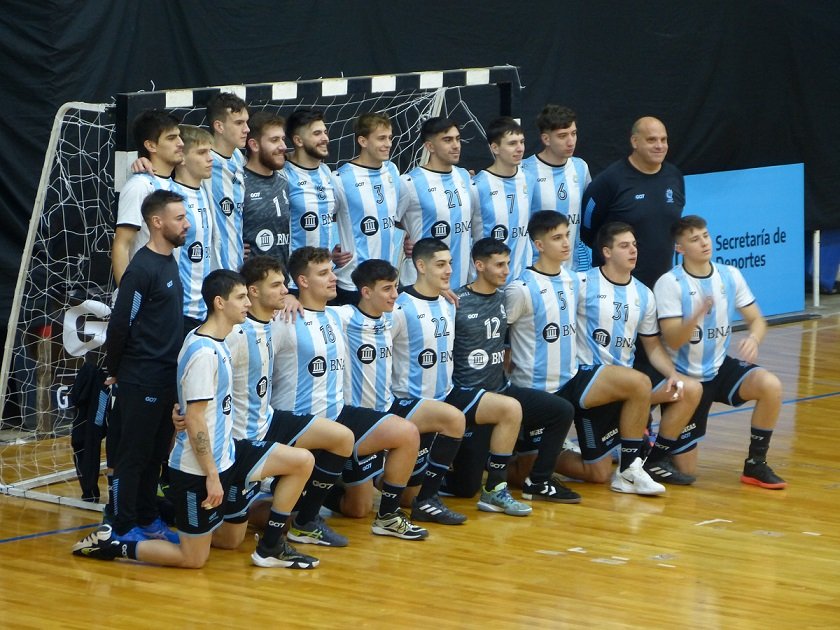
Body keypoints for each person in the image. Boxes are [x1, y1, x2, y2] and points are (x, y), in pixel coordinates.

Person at [73, 270, 318, 569]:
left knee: (301, 461)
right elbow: (198, 421)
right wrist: (212, 476)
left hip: (228, 454)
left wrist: (181, 412)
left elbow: (190, 402)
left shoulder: (220, 339)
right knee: (193, 559)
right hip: (198, 470)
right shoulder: (204, 352)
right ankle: (114, 544)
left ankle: (271, 546)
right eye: (240, 298)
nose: (247, 304)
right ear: (219, 303)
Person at [505, 211, 665, 495]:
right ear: (539, 245)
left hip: (575, 379)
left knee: (639, 383)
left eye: (567, 235)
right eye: (557, 237)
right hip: (537, 390)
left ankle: (629, 468)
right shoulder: (521, 288)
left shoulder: (574, 282)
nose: (566, 243)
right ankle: (504, 458)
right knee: (523, 475)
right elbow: (501, 336)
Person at [271, 246, 421, 544]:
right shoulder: (283, 320)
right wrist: (286, 297)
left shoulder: (340, 316)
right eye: (323, 273)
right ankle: (302, 518)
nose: (332, 277)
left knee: (406, 433)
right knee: (251, 524)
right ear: (302, 281)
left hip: (337, 413)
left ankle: (388, 517)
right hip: (299, 418)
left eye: (331, 271)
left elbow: (378, 307)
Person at [392, 238, 532, 520]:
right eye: (440, 264)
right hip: (411, 401)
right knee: (405, 497)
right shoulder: (400, 307)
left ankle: (494, 488)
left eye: (450, 264)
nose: (447, 270)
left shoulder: (449, 303)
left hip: (447, 393)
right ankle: (396, 481)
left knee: (510, 408)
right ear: (420, 266)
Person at [330, 258, 469, 536]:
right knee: (357, 508)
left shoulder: (395, 314)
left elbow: (419, 299)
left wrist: (439, 292)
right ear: (366, 292)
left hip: (389, 406)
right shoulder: (343, 317)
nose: (395, 294)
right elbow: (313, 311)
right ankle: (323, 485)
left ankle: (423, 501)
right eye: (387, 289)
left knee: (453, 419)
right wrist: (290, 301)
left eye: (395, 287)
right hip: (357, 416)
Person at [654, 215, 787, 489]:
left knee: (770, 385)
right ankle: (652, 453)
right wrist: (697, 314)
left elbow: (758, 320)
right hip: (686, 377)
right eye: (694, 239)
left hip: (718, 369)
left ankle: (755, 464)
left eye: (705, 235)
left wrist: (754, 338)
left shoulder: (729, 274)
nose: (704, 242)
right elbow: (673, 339)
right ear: (680, 248)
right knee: (688, 473)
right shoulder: (670, 283)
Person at [447, 238, 580, 504]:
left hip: (502, 391)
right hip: (472, 400)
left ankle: (538, 481)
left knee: (561, 410)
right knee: (465, 488)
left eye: (507, 263)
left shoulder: (505, 297)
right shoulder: (454, 302)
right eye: (499, 265)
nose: (506, 270)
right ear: (479, 265)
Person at [574, 222, 701, 485]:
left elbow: (653, 346)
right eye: (624, 246)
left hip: (629, 384)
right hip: (591, 381)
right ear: (606, 252)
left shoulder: (644, 293)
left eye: (634, 245)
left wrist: (672, 374)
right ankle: (540, 459)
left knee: (688, 388)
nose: (633, 251)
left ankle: (651, 460)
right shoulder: (582, 283)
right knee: (596, 475)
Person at [103, 190, 187, 543]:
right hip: (140, 378)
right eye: (179, 218)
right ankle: (121, 527)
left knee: (155, 456)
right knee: (132, 457)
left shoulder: (169, 261)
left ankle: (148, 517)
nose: (186, 224)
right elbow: (122, 323)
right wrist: (114, 370)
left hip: (166, 376)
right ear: (157, 222)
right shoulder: (141, 269)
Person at [581, 116, 685, 289]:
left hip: (662, 287)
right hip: (616, 290)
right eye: (651, 140)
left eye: (663, 140)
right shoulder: (610, 181)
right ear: (635, 141)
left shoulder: (674, 177)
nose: (659, 146)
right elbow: (587, 232)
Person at [397, 117, 480, 290]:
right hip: (422, 286)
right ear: (430, 147)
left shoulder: (464, 176)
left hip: (462, 283)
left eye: (457, 139)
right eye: (447, 140)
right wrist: (404, 238)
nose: (456, 145)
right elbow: (388, 220)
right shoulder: (409, 182)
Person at [332, 112, 405, 305]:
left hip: (388, 281)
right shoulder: (340, 179)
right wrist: (328, 254)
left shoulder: (392, 170)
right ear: (363, 141)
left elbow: (400, 213)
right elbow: (320, 221)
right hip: (353, 283)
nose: (388, 143)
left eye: (390, 138)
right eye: (381, 138)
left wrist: (411, 236)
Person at [111, 110, 183, 284]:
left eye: (179, 137)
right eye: (171, 138)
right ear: (151, 146)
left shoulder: (177, 183)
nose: (181, 143)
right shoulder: (139, 186)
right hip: (148, 293)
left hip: (173, 290)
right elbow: (121, 245)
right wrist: (127, 296)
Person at [522, 104, 592, 272]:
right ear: (546, 139)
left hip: (574, 269)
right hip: (537, 269)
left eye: (573, 134)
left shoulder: (580, 167)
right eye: (562, 136)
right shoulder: (525, 171)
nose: (571, 141)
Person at [283, 109, 348, 270]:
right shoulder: (283, 174)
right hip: (293, 278)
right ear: (298, 140)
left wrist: (330, 255)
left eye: (325, 132)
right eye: (317, 133)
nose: (325, 138)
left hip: (324, 274)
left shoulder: (326, 171)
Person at [472, 117, 533, 282]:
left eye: (522, 142)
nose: (520, 148)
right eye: (512, 143)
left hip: (522, 283)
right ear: (495, 148)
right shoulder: (477, 185)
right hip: (488, 286)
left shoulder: (529, 178)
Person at [170, 125, 215, 336]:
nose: (210, 158)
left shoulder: (206, 189)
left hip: (206, 308)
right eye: (201, 152)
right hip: (179, 311)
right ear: (182, 158)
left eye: (210, 152)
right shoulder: (168, 194)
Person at [205, 92, 250, 271]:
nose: (246, 128)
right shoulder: (203, 159)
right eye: (239, 123)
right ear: (219, 126)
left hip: (237, 262)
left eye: (246, 122)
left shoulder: (238, 157)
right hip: (211, 267)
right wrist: (143, 162)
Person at [242, 111, 291, 268]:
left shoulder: (284, 181)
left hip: (282, 280)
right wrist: (230, 248)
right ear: (254, 145)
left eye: (283, 139)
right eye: (274, 140)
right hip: (250, 283)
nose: (283, 146)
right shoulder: (239, 183)